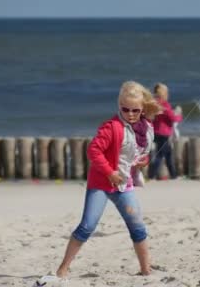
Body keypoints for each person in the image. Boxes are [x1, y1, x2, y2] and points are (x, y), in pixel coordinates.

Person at [40, 81, 160, 285]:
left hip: (124, 185)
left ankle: (145, 269)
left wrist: (143, 162)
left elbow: (143, 155)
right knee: (87, 226)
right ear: (118, 106)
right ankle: (62, 269)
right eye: (125, 109)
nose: (130, 114)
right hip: (101, 184)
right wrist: (110, 172)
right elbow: (93, 151)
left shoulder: (146, 128)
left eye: (135, 110)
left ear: (142, 109)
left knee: (138, 227)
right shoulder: (111, 127)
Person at [148, 83, 183, 180]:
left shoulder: (154, 104)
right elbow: (173, 118)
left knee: (168, 155)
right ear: (164, 94)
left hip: (156, 132)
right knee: (160, 155)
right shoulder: (165, 105)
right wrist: (180, 115)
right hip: (164, 134)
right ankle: (151, 176)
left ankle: (174, 175)